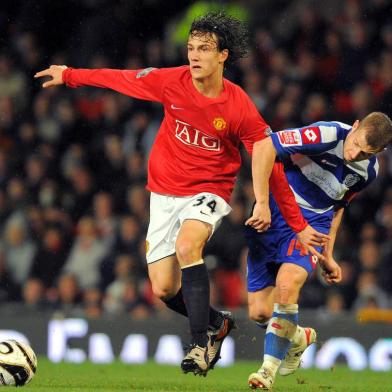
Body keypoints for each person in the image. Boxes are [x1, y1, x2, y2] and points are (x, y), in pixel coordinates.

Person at [35, 12, 327, 376]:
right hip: (163, 191)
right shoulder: (172, 81)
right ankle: (218, 323)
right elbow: (121, 79)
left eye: (204, 49)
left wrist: (296, 223)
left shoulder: (239, 108)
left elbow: (273, 167)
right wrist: (70, 75)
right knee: (162, 288)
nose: (194, 55)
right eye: (191, 47)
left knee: (189, 246)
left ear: (223, 55)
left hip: (210, 190)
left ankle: (200, 345)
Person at [245, 111, 392, 390]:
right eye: (356, 144)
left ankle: (266, 372)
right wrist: (262, 203)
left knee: (287, 287)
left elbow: (337, 209)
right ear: (356, 126)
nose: (353, 154)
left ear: (380, 152)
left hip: (312, 225)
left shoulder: (369, 172)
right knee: (260, 312)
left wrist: (328, 254)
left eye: (364, 153)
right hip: (276, 210)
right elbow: (265, 146)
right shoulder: (325, 135)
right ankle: (298, 336)